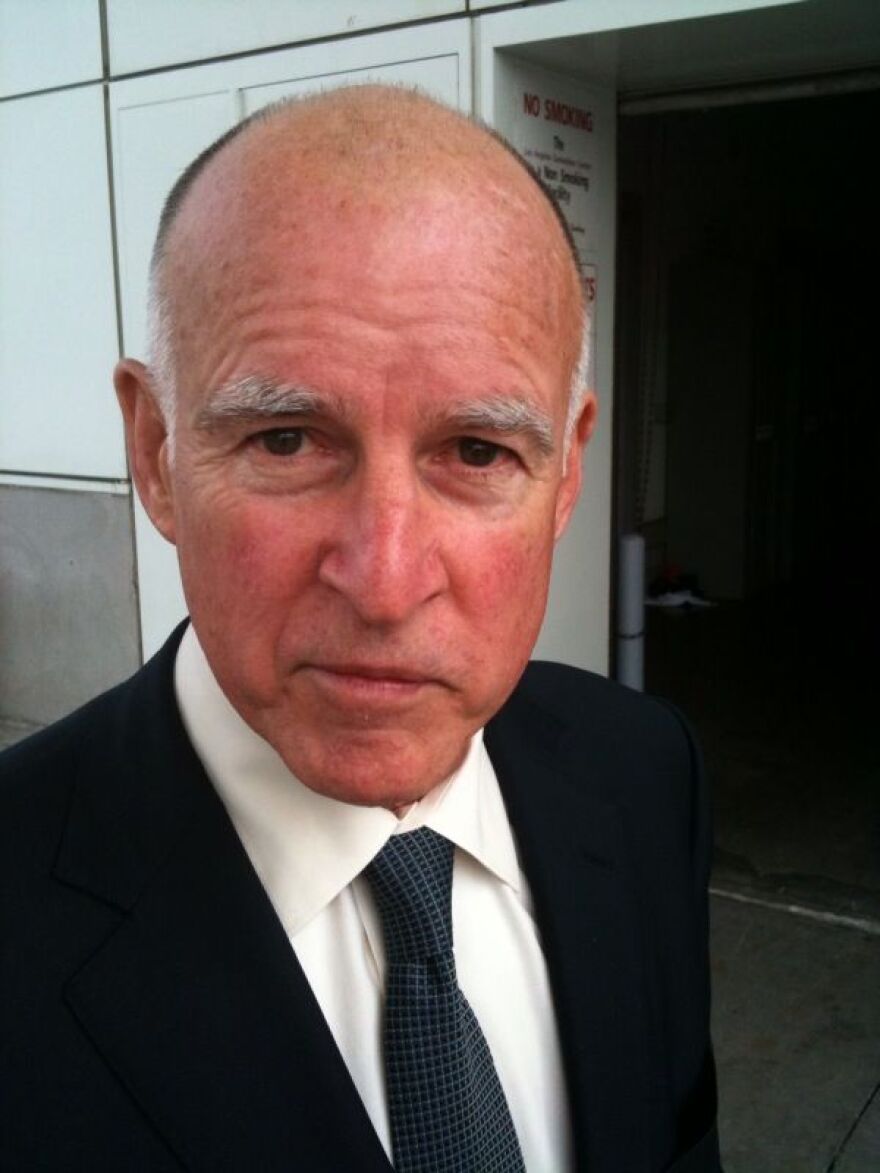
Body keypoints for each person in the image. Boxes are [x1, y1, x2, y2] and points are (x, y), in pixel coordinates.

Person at [0, 85, 719, 1171]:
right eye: (287, 441)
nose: (384, 584)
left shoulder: (644, 771)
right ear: (154, 452)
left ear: (566, 470)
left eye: (478, 452)